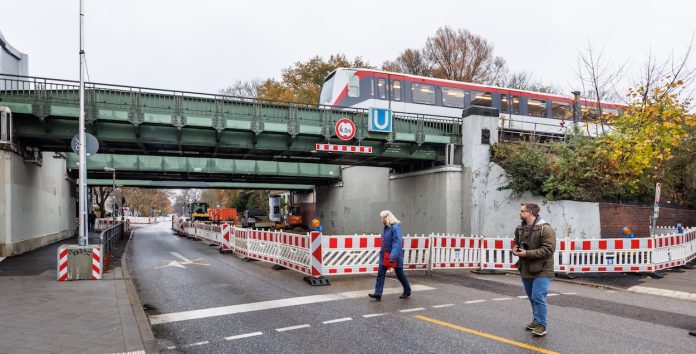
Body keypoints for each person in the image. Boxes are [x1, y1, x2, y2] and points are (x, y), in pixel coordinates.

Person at [512, 202, 556, 337]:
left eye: (522, 211)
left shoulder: (545, 229)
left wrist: (527, 254)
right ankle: (536, 321)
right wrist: (515, 249)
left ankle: (542, 325)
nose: (520, 213)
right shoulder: (520, 228)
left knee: (538, 296)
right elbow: (517, 243)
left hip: (543, 269)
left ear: (531, 213)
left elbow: (548, 249)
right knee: (532, 297)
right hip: (526, 267)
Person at [368, 210, 411, 301]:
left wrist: (392, 257)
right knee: (381, 273)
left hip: (394, 255)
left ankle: (407, 290)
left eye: (382, 218)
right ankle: (378, 293)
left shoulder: (395, 228)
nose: (381, 220)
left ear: (386, 218)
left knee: (399, 273)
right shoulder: (386, 227)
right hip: (385, 255)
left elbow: (397, 243)